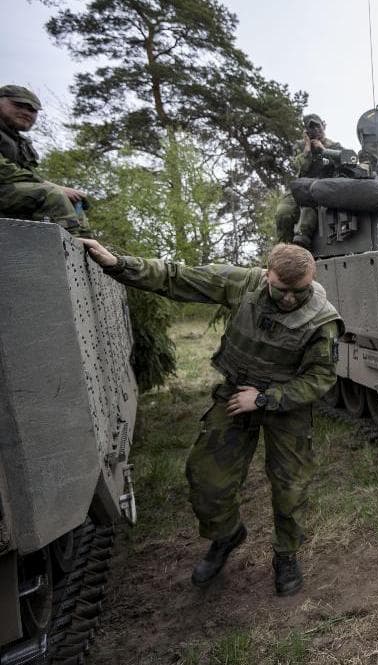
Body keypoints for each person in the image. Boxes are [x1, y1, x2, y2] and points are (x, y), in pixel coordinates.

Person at [79, 239, 343, 596]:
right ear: (267, 275)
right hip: (236, 394)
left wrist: (265, 398)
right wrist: (117, 264)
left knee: (290, 489)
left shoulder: (321, 320)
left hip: (285, 405)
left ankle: (286, 555)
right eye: (282, 289)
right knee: (205, 479)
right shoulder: (243, 284)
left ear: (311, 279)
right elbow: (178, 277)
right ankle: (226, 535)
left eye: (300, 291)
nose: (290, 299)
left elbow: (320, 378)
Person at [0, 84, 90, 235]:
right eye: (19, 105)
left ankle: (87, 247)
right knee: (51, 195)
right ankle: (65, 250)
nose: (26, 112)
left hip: (7, 195)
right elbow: (4, 171)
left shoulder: (20, 142)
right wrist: (55, 188)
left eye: (32, 110)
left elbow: (28, 176)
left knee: (74, 201)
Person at [275, 113, 343, 248]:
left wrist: (323, 150)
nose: (316, 130)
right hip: (301, 186)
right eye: (311, 128)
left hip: (322, 186)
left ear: (324, 125)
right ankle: (284, 247)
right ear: (306, 131)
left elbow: (344, 163)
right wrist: (307, 149)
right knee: (283, 212)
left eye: (318, 126)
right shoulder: (300, 147)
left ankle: (301, 242)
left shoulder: (334, 146)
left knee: (309, 212)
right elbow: (299, 168)